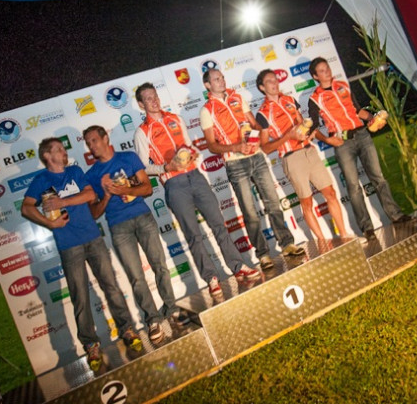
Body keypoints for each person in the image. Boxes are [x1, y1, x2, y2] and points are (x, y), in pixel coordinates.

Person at [21, 137, 141, 372]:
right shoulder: (41, 180)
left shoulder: (75, 171)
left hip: (93, 238)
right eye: (59, 149)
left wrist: (62, 201)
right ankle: (91, 345)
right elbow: (26, 207)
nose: (64, 151)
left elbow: (90, 195)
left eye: (63, 148)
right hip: (68, 245)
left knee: (111, 286)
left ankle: (127, 329)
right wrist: (49, 223)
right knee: (80, 297)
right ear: (47, 155)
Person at [133, 82, 261, 299]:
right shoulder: (142, 132)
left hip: (195, 176)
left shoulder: (175, 119)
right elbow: (143, 167)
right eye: (148, 99)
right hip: (174, 183)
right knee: (193, 235)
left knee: (219, 224)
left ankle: (238, 267)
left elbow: (190, 145)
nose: (154, 101)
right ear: (141, 104)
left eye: (155, 96)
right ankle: (211, 279)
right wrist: (166, 167)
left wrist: (192, 153)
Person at [83, 125, 190, 345]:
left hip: (143, 217)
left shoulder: (128, 158)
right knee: (136, 276)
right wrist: (107, 194)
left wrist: (125, 190)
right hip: (118, 227)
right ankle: (153, 320)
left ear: (105, 138)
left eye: (94, 140)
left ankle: (171, 309)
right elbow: (94, 213)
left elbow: (147, 189)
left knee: (160, 265)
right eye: (88, 143)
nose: (91, 146)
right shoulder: (92, 175)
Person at [200, 69, 305, 269]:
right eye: (216, 79)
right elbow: (212, 145)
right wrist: (236, 147)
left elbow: (255, 125)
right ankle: (263, 254)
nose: (221, 81)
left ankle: (287, 244)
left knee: (273, 202)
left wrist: (253, 135)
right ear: (207, 85)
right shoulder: (206, 110)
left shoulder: (237, 98)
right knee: (250, 212)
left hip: (257, 157)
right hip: (235, 163)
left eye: (222, 77)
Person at [307, 57, 413, 241]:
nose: (327, 72)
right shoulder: (315, 98)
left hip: (362, 135)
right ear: (315, 76)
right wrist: (327, 139)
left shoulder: (343, 86)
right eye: (322, 71)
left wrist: (372, 118)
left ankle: (396, 216)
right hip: (343, 143)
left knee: (378, 178)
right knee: (354, 187)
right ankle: (367, 228)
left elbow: (357, 110)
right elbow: (313, 127)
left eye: (327, 68)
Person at [255, 69, 350, 244]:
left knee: (330, 193)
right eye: (269, 81)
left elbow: (305, 125)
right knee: (307, 203)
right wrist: (288, 136)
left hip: (309, 151)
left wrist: (324, 138)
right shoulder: (262, 113)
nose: (274, 83)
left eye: (275, 79)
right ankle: (322, 242)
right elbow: (265, 148)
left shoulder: (290, 100)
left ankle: (344, 236)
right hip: (292, 158)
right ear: (262, 87)